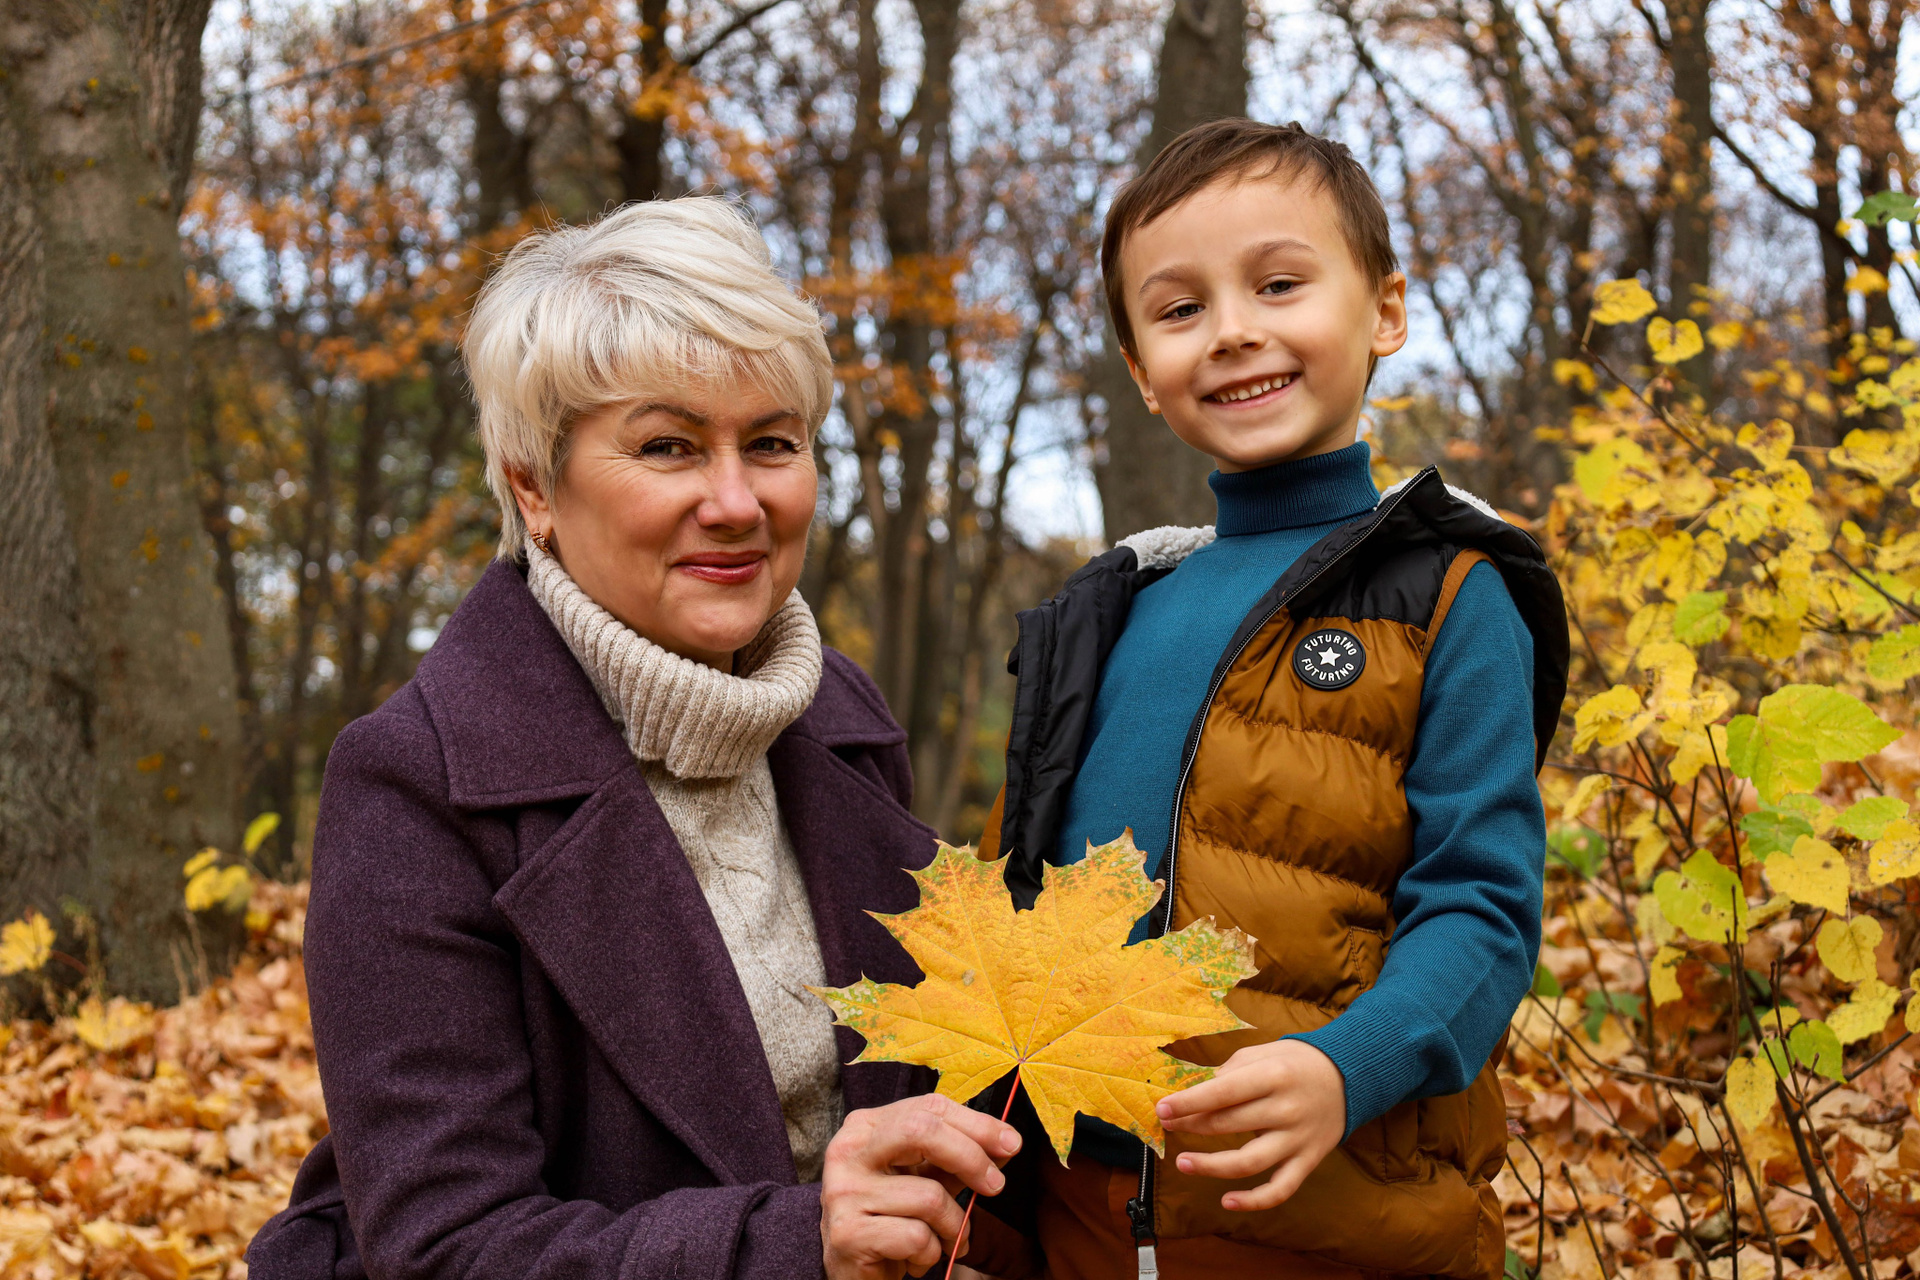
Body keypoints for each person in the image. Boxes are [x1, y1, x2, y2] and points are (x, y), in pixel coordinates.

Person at [245, 197, 1034, 1280]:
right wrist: (796, 1244)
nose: (736, 501)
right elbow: (445, 1246)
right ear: (533, 486)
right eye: (668, 446)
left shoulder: (842, 721)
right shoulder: (414, 784)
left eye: (773, 443)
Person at [980, 119, 1569, 1279]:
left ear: (1384, 311)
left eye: (1280, 284)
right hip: (1081, 1209)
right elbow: (1022, 909)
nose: (1233, 329)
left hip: (1336, 1211)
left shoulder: (1449, 591)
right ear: (1142, 372)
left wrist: (1350, 1066)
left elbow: (1483, 906)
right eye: (1180, 308)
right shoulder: (1111, 612)